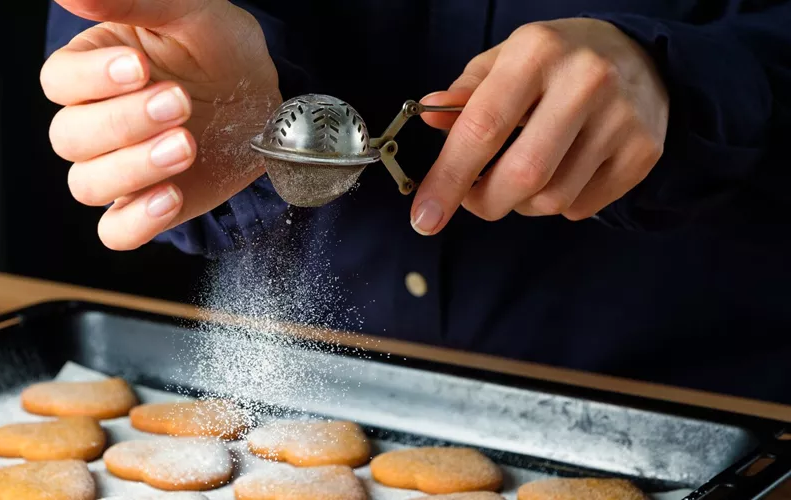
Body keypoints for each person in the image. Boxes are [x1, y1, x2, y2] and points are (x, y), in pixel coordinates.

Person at [41, 0, 791, 404]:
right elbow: (125, 26)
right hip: (313, 388)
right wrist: (148, 89)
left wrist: (683, 81)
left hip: (691, 392)